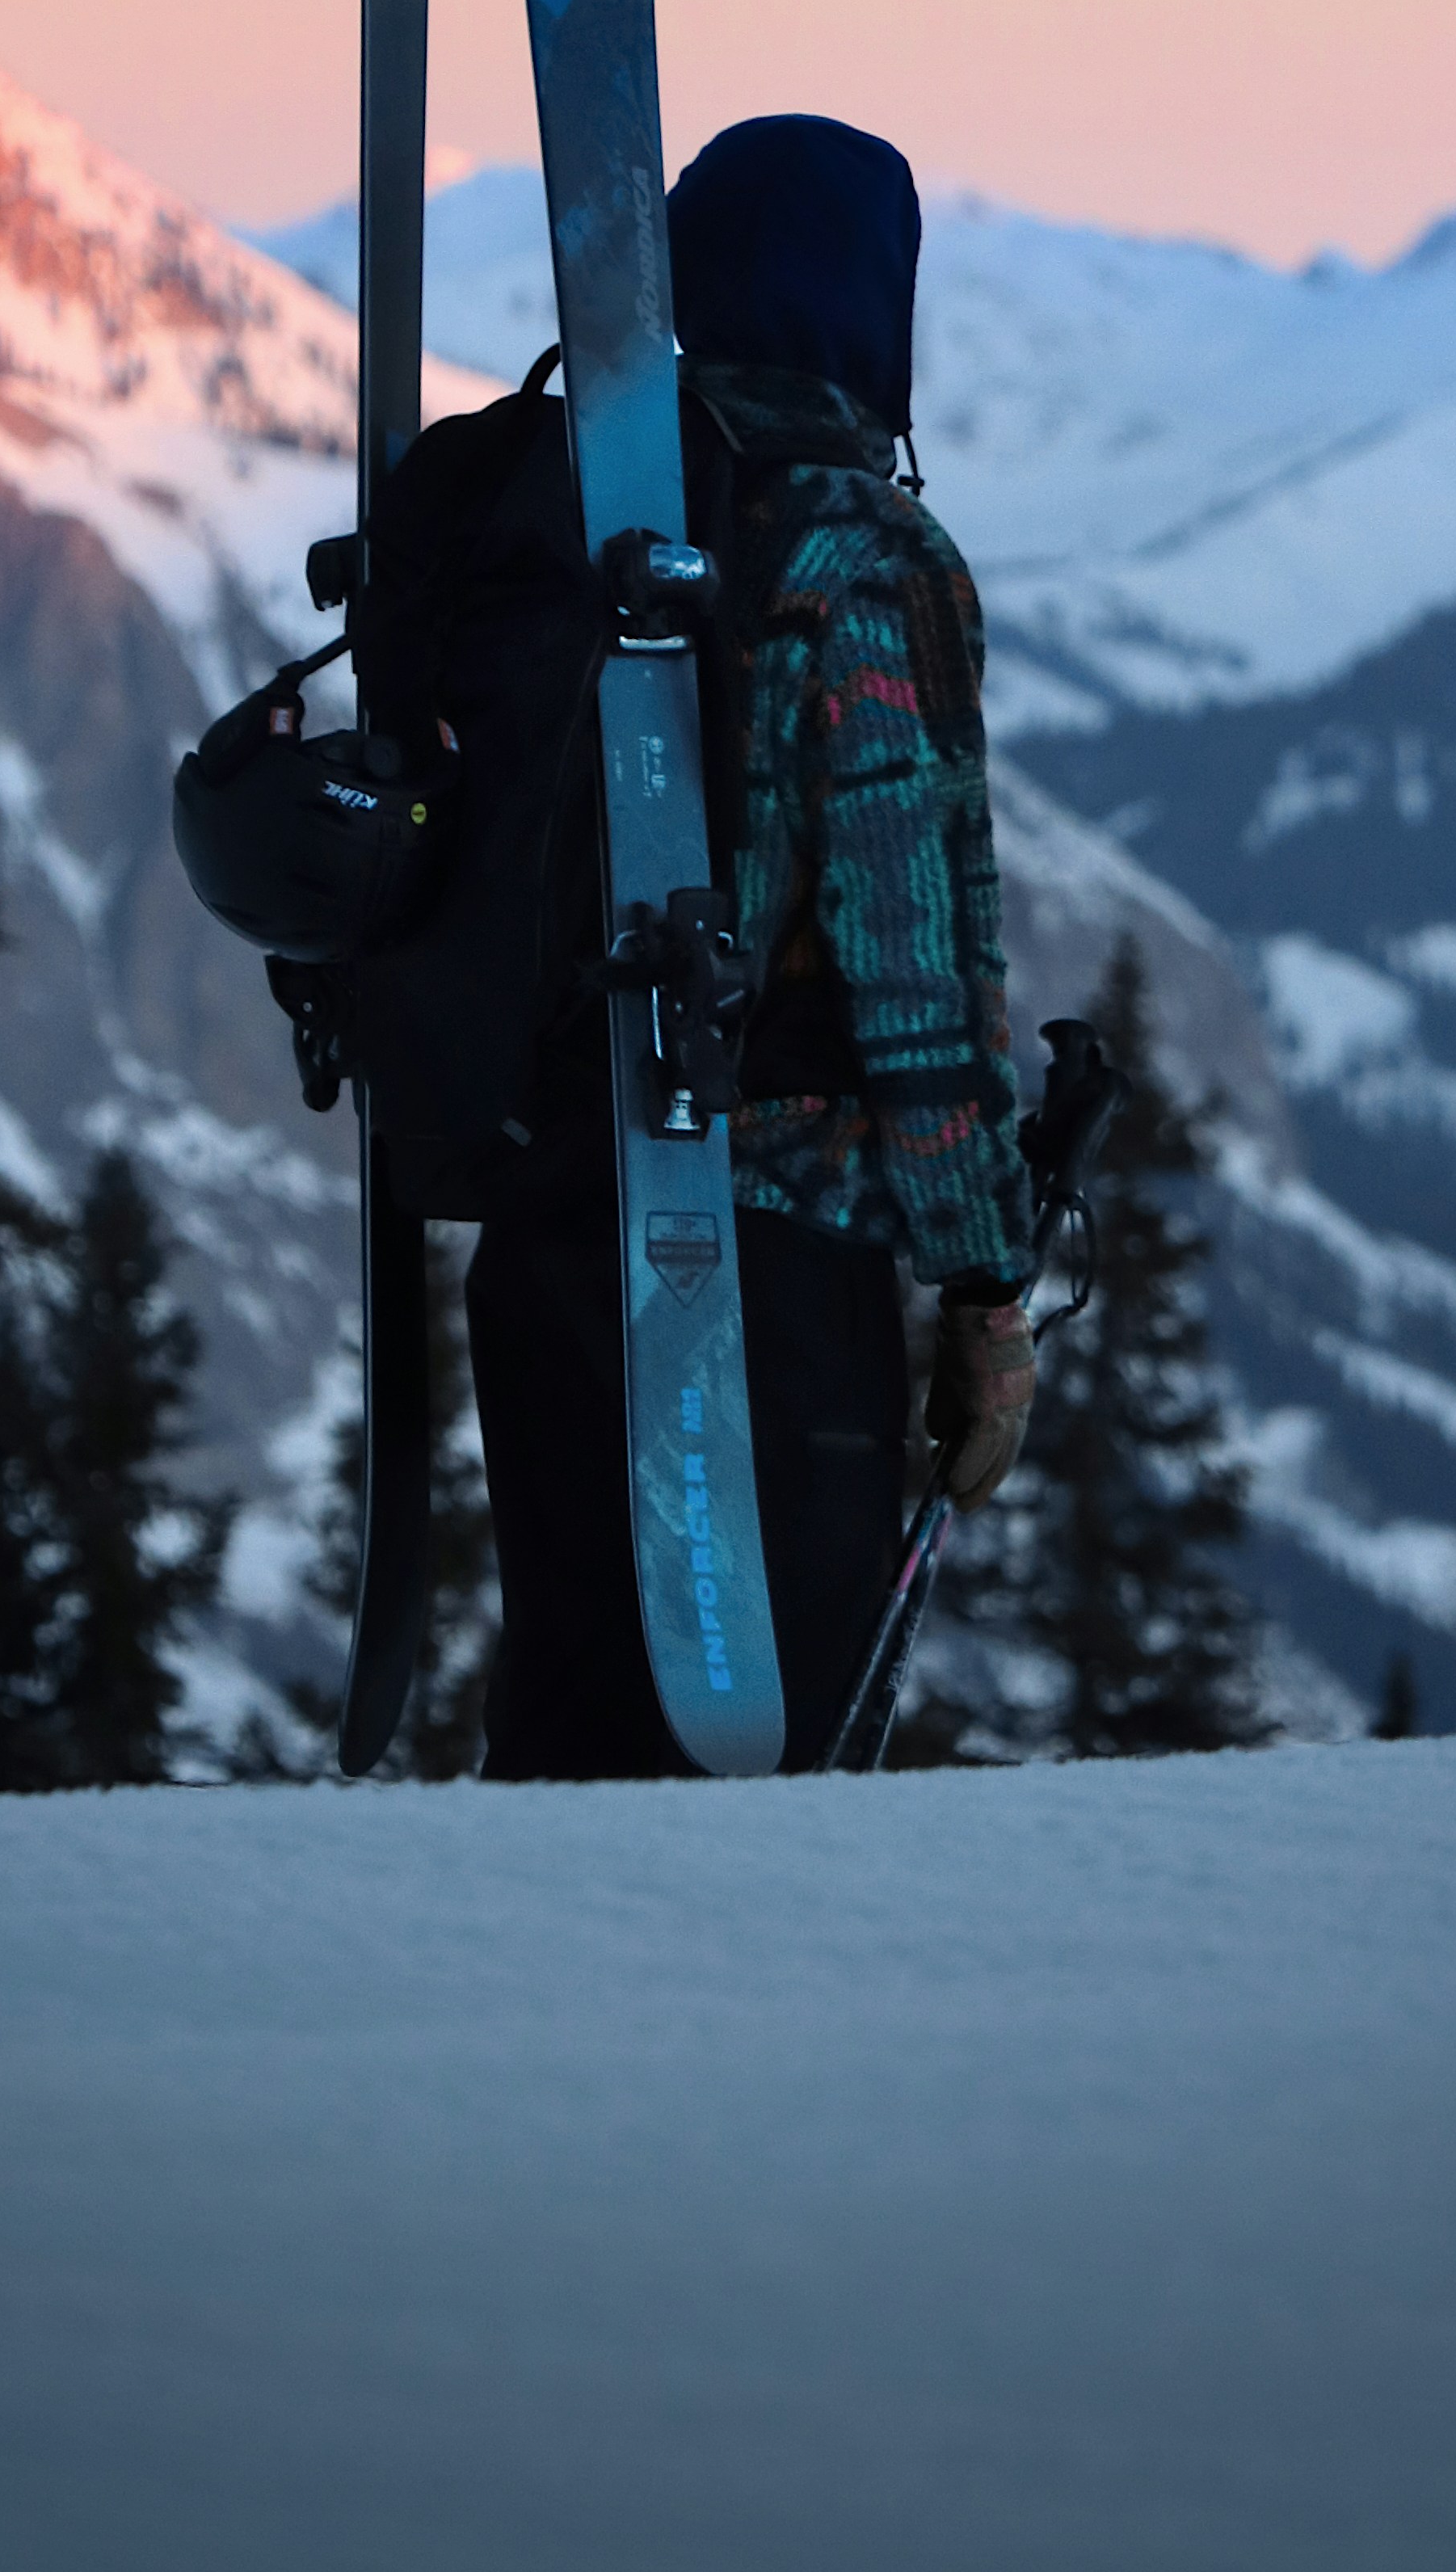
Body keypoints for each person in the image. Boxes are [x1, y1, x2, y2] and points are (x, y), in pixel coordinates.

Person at [466, 112, 1039, 1775]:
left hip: (553, 1226)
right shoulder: (857, 558)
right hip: (757, 1268)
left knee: (571, 1748)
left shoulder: (580, 526)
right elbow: (910, 964)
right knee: (747, 1784)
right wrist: (985, 1285)